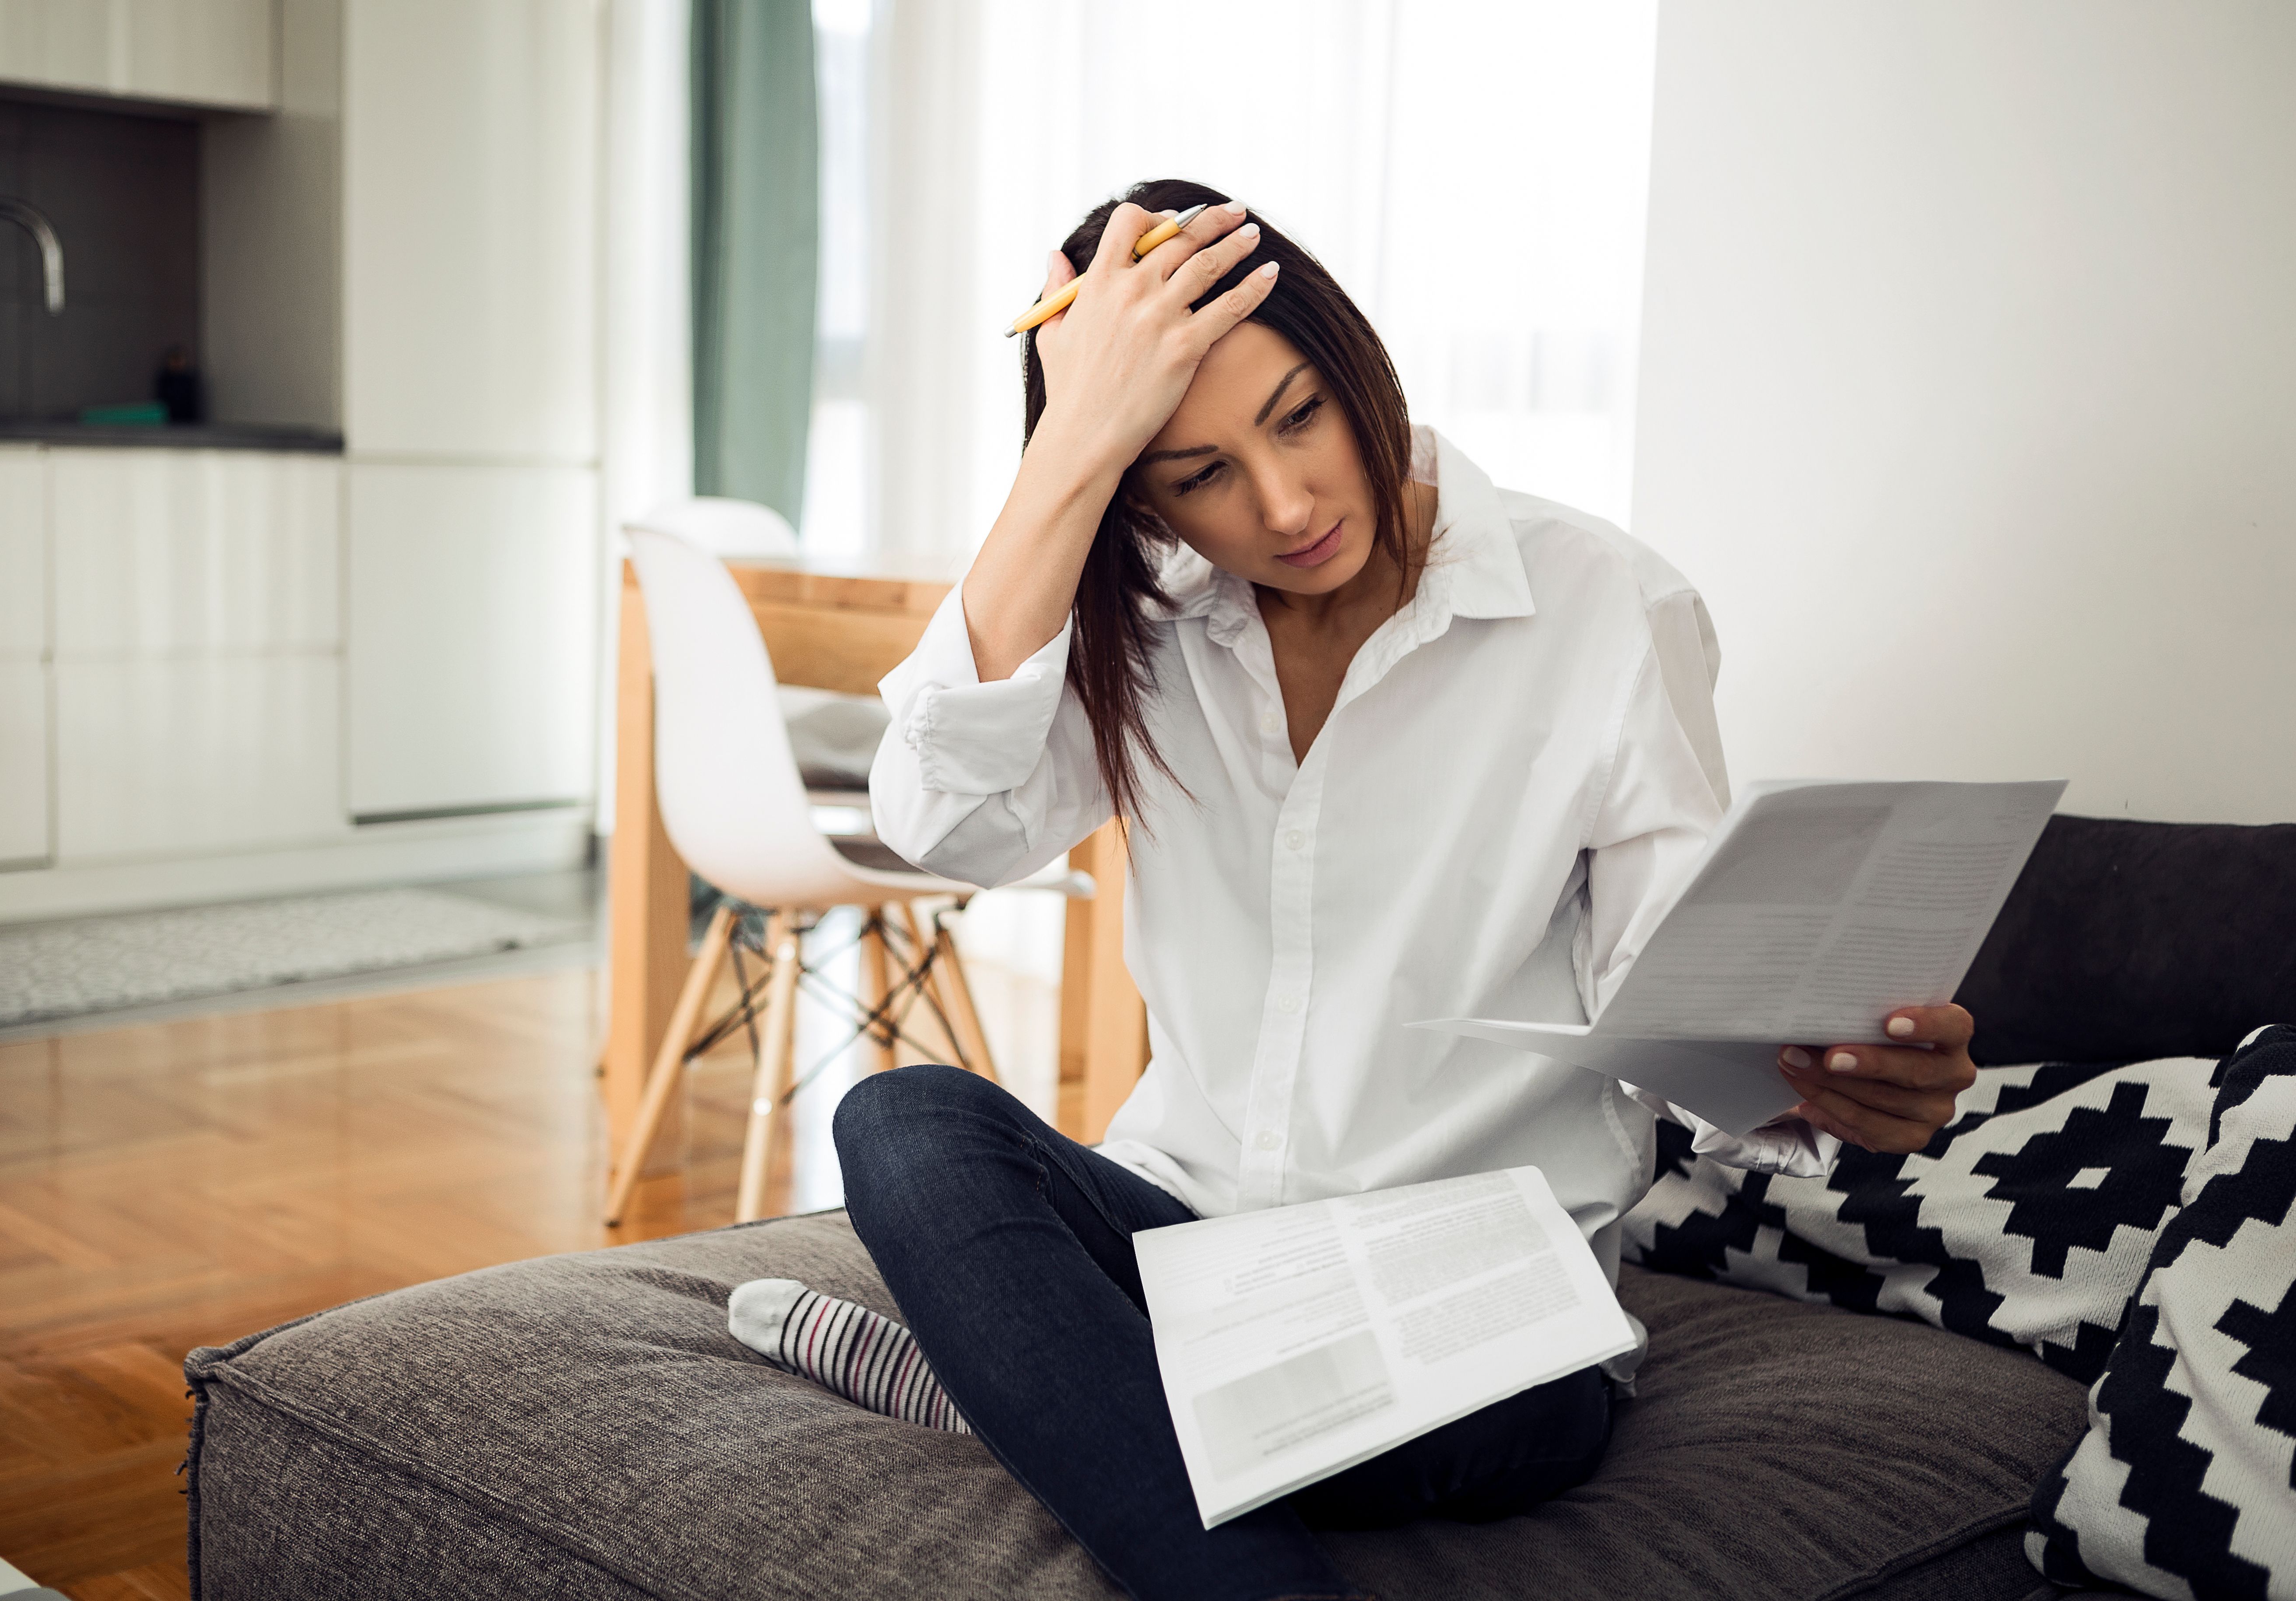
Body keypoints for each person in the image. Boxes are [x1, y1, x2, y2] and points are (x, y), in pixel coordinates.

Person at [809, 179, 1975, 1601]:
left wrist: (1810, 1071)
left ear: (1355, 363)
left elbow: (1669, 994)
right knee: (902, 1121)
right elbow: (941, 823)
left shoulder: (1608, 606)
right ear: (1134, 486)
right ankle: (1092, 1413)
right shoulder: (1151, 635)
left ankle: (1033, 1395)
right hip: (1191, 1258)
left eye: (1299, 416)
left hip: (1476, 1317)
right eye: (1195, 473)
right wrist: (1068, 447)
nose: (1286, 502)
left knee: (1515, 1415)